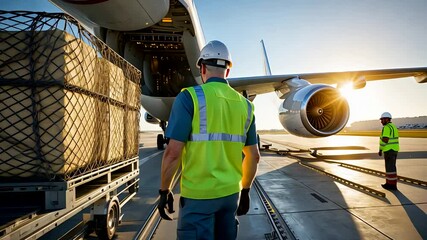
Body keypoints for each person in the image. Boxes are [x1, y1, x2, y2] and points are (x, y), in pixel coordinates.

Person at [157, 40, 260, 239]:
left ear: (202, 68)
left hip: (198, 197)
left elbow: (172, 153)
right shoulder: (246, 106)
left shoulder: (189, 97)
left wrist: (165, 190)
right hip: (230, 195)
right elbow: (253, 156)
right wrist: (245, 190)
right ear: (227, 72)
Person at [378, 112, 399, 190]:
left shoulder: (386, 127)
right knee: (392, 167)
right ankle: (389, 183)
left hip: (388, 150)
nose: (381, 121)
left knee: (389, 168)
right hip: (395, 149)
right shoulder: (393, 127)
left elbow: (385, 139)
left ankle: (391, 185)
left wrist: (380, 149)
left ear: (387, 119)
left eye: (382, 120)